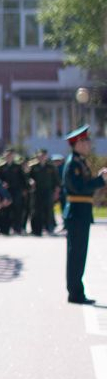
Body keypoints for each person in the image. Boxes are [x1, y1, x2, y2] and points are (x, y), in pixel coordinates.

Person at [61, 125, 106, 304]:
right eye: (85, 140)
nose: (88, 144)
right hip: (77, 213)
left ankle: (77, 291)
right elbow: (78, 187)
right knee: (76, 255)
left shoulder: (79, 161)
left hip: (81, 212)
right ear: (78, 143)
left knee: (80, 254)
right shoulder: (73, 163)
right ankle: (75, 292)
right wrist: (100, 180)